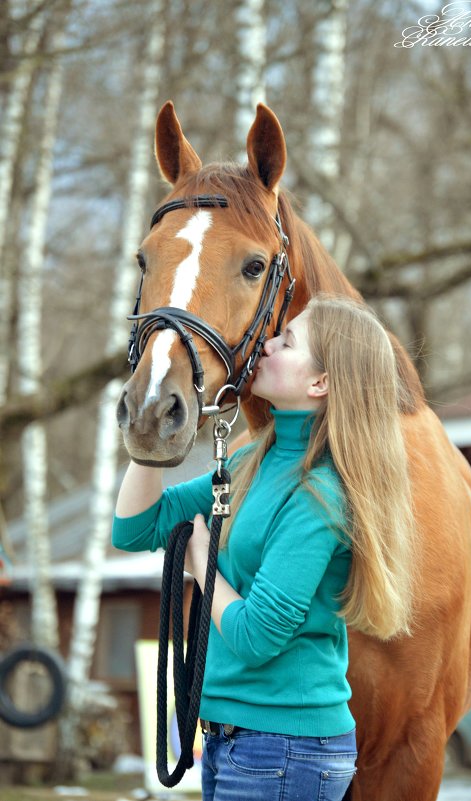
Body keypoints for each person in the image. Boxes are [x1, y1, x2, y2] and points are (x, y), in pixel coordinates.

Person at [112, 294, 416, 801]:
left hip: (285, 750)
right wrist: (151, 427)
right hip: (236, 741)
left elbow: (256, 637)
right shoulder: (257, 456)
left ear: (320, 382)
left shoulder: (320, 496)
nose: (267, 345)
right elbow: (136, 528)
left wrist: (201, 557)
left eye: (288, 341)